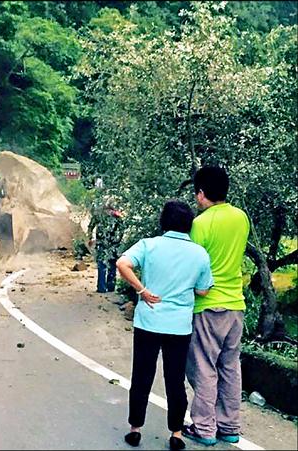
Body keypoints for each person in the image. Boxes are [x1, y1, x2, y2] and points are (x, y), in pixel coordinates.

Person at [116, 200, 214, 451]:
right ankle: (176, 433)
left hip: (148, 321)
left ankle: (135, 429)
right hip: (179, 326)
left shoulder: (149, 245)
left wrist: (142, 290)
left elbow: (122, 264)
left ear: (163, 222)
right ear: (189, 225)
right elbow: (203, 290)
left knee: (142, 376)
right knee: (174, 379)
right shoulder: (199, 254)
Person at [182, 166, 250, 446]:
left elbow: (194, 265)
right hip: (236, 304)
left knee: (204, 367)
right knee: (230, 367)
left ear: (201, 194)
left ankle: (204, 428)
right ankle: (229, 426)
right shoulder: (241, 218)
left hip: (208, 305)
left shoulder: (200, 223)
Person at [87, 194, 123, 293]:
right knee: (112, 264)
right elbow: (122, 229)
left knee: (102, 265)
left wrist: (90, 238)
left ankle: (101, 287)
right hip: (113, 244)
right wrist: (118, 240)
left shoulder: (98, 214)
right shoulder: (117, 215)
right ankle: (111, 287)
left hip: (101, 243)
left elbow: (90, 226)